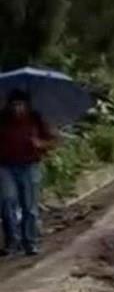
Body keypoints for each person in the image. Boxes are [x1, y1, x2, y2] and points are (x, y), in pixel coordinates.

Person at [0, 90, 55, 256]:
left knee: (29, 206)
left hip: (30, 166)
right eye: (14, 105)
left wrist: (41, 144)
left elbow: (54, 139)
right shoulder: (2, 119)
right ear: (8, 105)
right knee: (7, 202)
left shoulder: (36, 118)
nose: (17, 108)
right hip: (5, 166)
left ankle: (30, 242)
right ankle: (12, 241)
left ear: (27, 105)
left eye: (20, 104)